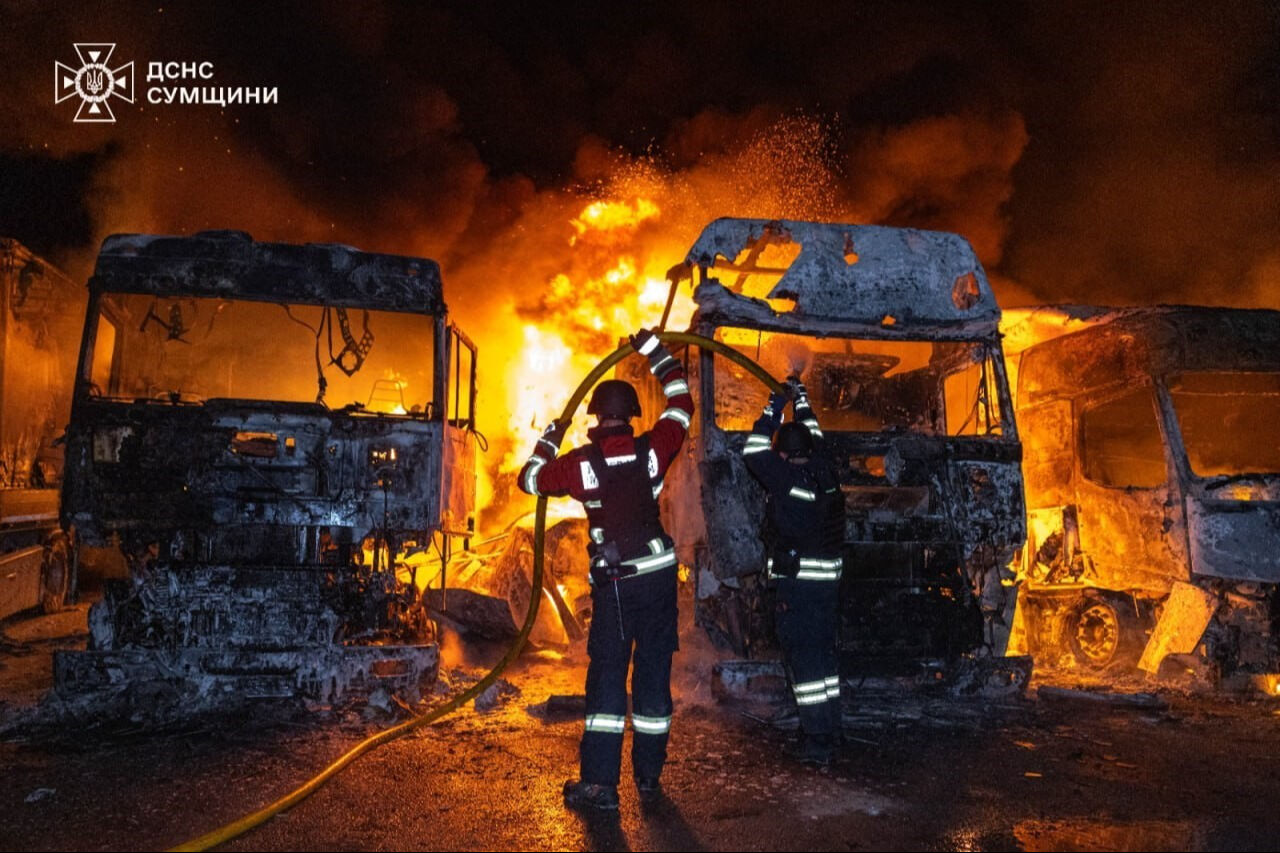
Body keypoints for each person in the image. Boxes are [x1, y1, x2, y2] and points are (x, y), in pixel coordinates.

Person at [517, 328, 693, 810]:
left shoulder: (580, 464)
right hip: (658, 582)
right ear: (633, 416)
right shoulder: (653, 449)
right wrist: (657, 353)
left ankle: (599, 786)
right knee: (654, 677)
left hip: (616, 588)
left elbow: (529, 480)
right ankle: (650, 779)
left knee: (609, 680)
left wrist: (548, 441)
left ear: (595, 416)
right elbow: (682, 406)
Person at [742, 376, 845, 764]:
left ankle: (816, 741)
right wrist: (800, 400)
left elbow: (753, 451)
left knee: (805, 666)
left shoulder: (784, 478)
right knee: (824, 661)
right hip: (827, 585)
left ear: (783, 455)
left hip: (798, 586)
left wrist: (773, 406)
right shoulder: (825, 470)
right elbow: (813, 433)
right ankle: (831, 728)